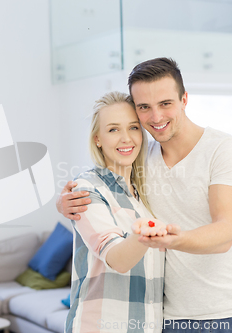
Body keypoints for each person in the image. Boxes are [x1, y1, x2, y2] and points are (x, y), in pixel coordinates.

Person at [58, 58, 232, 333]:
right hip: (168, 318)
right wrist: (63, 204)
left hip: (229, 315)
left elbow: (225, 233)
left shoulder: (226, 151)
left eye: (165, 104)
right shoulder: (143, 163)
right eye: (144, 107)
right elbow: (105, 194)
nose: (156, 117)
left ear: (184, 99)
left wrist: (170, 239)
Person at [65, 91, 168, 333]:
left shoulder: (143, 195)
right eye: (113, 130)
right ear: (97, 138)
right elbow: (117, 259)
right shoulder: (86, 188)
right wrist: (149, 232)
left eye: (133, 128)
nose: (126, 139)